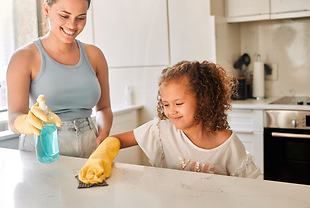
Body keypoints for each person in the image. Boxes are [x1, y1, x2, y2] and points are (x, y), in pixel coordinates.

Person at [6, 0, 112, 158]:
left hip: (89, 145)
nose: (72, 25)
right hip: (43, 148)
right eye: (64, 16)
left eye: (81, 17)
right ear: (46, 8)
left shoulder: (95, 56)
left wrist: (102, 136)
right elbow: (14, 118)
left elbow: (104, 109)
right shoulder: (24, 58)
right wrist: (27, 123)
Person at [108, 60, 260, 178]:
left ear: (203, 100)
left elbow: (249, 187)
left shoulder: (228, 144)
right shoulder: (161, 130)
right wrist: (101, 154)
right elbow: (118, 140)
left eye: (178, 103)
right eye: (165, 104)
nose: (171, 111)